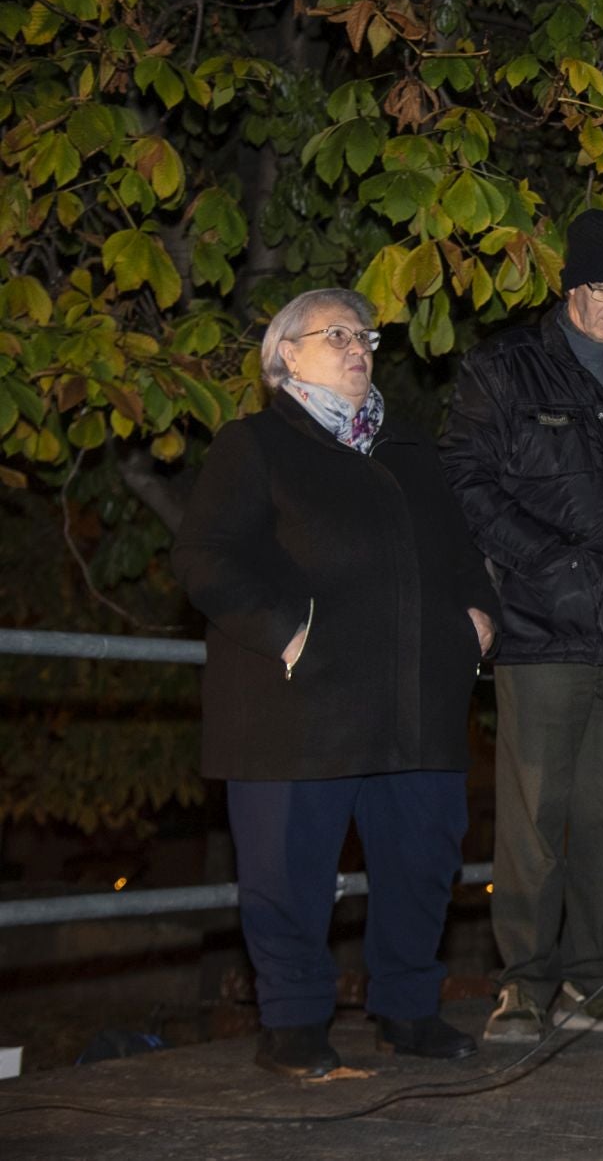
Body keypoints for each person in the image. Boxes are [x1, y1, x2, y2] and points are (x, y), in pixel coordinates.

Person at [173, 288, 497, 1079]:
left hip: (417, 701)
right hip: (299, 701)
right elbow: (206, 557)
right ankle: (292, 1023)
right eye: (338, 335)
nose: (360, 347)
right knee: (289, 870)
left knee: (423, 859)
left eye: (367, 335)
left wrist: (477, 623)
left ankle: (408, 1010)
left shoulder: (409, 452)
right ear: (287, 354)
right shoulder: (254, 445)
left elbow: (463, 555)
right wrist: (289, 635)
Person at [440, 209, 603, 1043]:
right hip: (543, 626)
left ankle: (600, 983)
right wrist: (547, 566)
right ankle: (523, 983)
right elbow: (465, 479)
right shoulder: (506, 369)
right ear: (569, 286)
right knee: (534, 815)